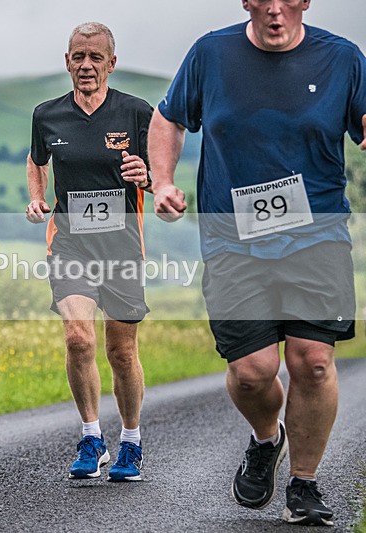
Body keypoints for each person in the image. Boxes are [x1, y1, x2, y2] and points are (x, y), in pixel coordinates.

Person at [149, 0, 366, 526]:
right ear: (245, 2)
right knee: (252, 372)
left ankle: (305, 484)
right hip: (233, 241)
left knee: (313, 362)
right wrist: (163, 181)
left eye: (286, 0)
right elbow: (168, 119)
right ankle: (267, 439)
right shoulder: (211, 54)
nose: (275, 11)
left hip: (318, 238)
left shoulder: (342, 58)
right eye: (262, 0)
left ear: (306, 1)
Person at [26, 22, 153, 482]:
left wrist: (147, 174)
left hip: (121, 244)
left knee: (121, 351)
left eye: (95, 57)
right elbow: (37, 159)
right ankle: (91, 436)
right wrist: (37, 197)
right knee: (78, 338)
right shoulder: (48, 115)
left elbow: (158, 166)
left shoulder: (137, 112)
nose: (86, 65)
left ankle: (132, 442)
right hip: (69, 242)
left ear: (111, 63)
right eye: (78, 56)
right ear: (67, 60)